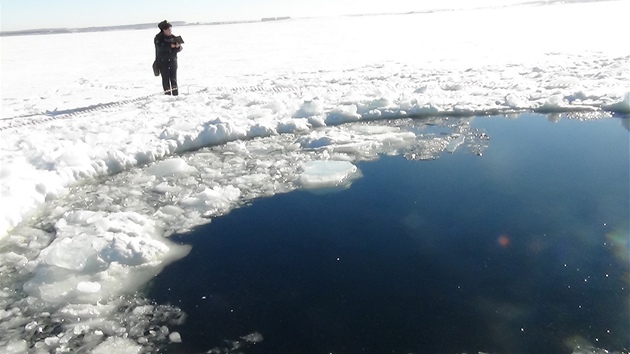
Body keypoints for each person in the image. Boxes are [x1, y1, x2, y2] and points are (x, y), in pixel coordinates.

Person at [154, 20, 183, 95]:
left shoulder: (173, 37)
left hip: (173, 62)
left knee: (173, 79)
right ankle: (167, 95)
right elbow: (160, 48)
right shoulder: (158, 38)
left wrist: (178, 47)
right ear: (164, 30)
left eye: (171, 29)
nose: (170, 31)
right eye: (169, 30)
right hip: (163, 62)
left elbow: (180, 48)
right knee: (165, 79)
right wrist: (170, 46)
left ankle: (175, 94)